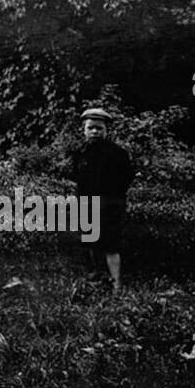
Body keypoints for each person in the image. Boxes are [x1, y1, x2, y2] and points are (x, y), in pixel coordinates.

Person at [69, 107, 135, 293]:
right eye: (91, 128)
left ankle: (115, 285)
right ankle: (94, 281)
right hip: (86, 204)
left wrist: (112, 199)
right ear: (84, 129)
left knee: (111, 246)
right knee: (89, 244)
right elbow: (76, 178)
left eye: (99, 128)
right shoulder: (80, 153)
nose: (95, 132)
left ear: (107, 130)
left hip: (110, 205)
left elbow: (126, 178)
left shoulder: (117, 153)